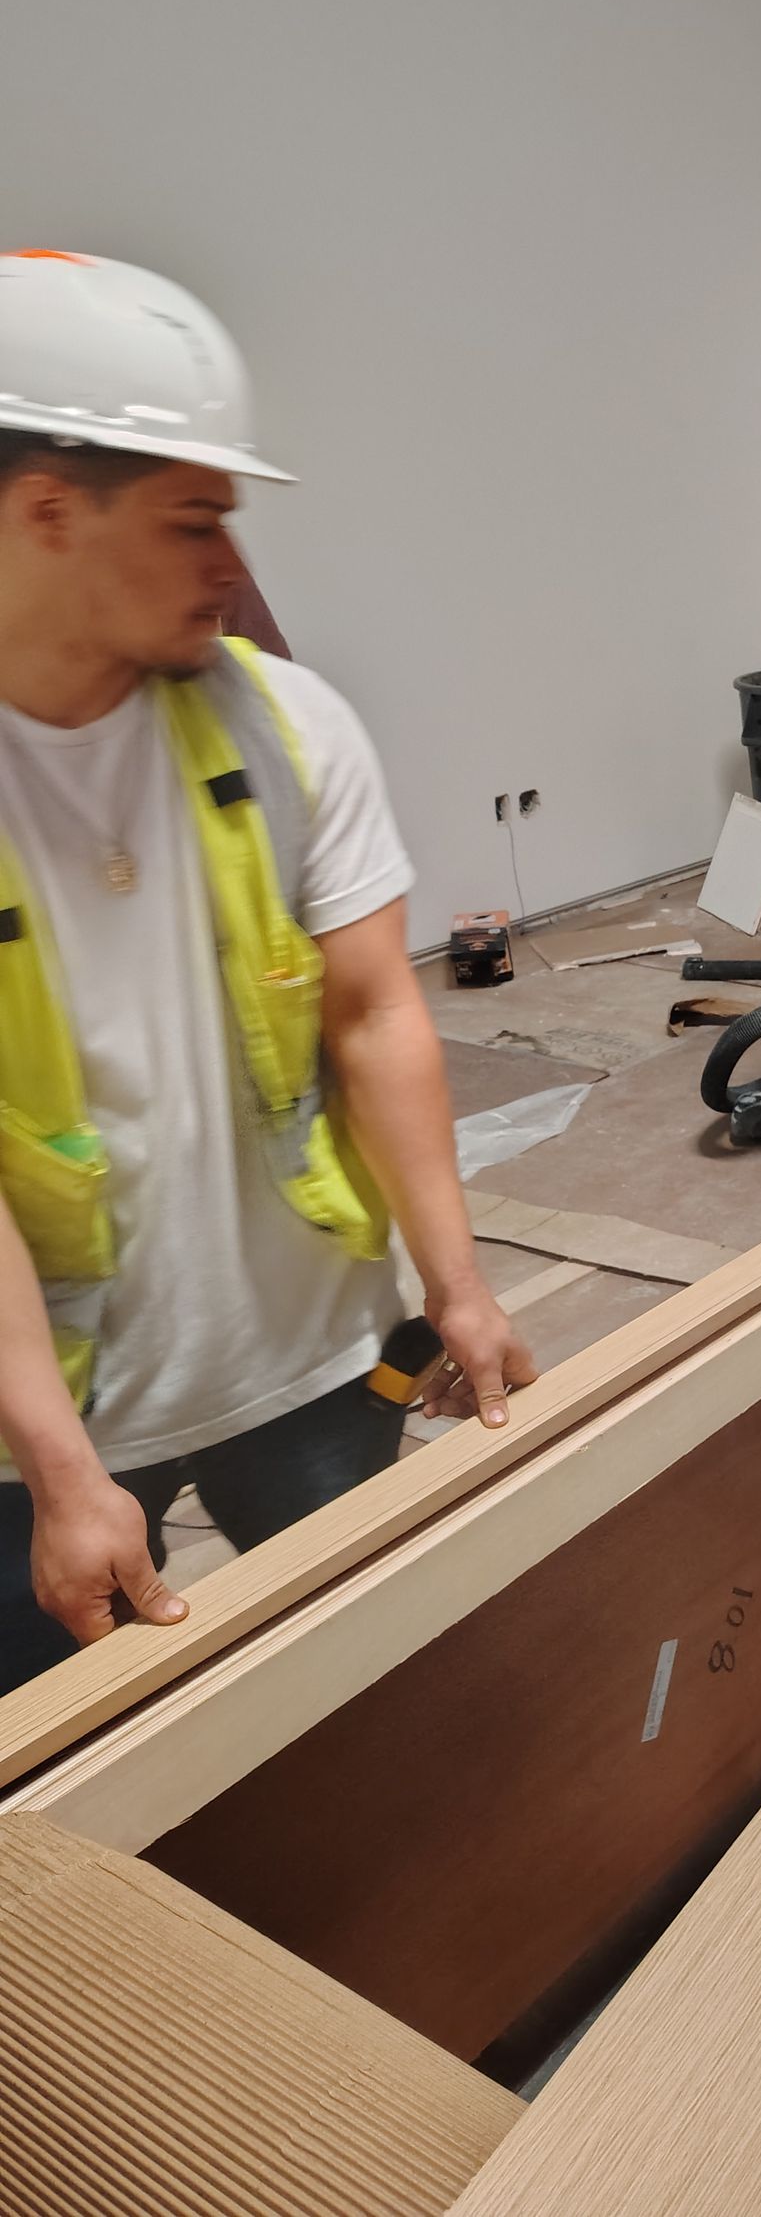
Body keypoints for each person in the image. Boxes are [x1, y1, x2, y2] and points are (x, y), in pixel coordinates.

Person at [0, 249, 533, 1696]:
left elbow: (374, 1014)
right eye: (192, 522)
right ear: (48, 510)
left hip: (304, 1368)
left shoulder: (287, 729)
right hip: (34, 1421)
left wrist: (458, 1282)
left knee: (362, 1707)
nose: (230, 565)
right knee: (54, 1794)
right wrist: (59, 1467)